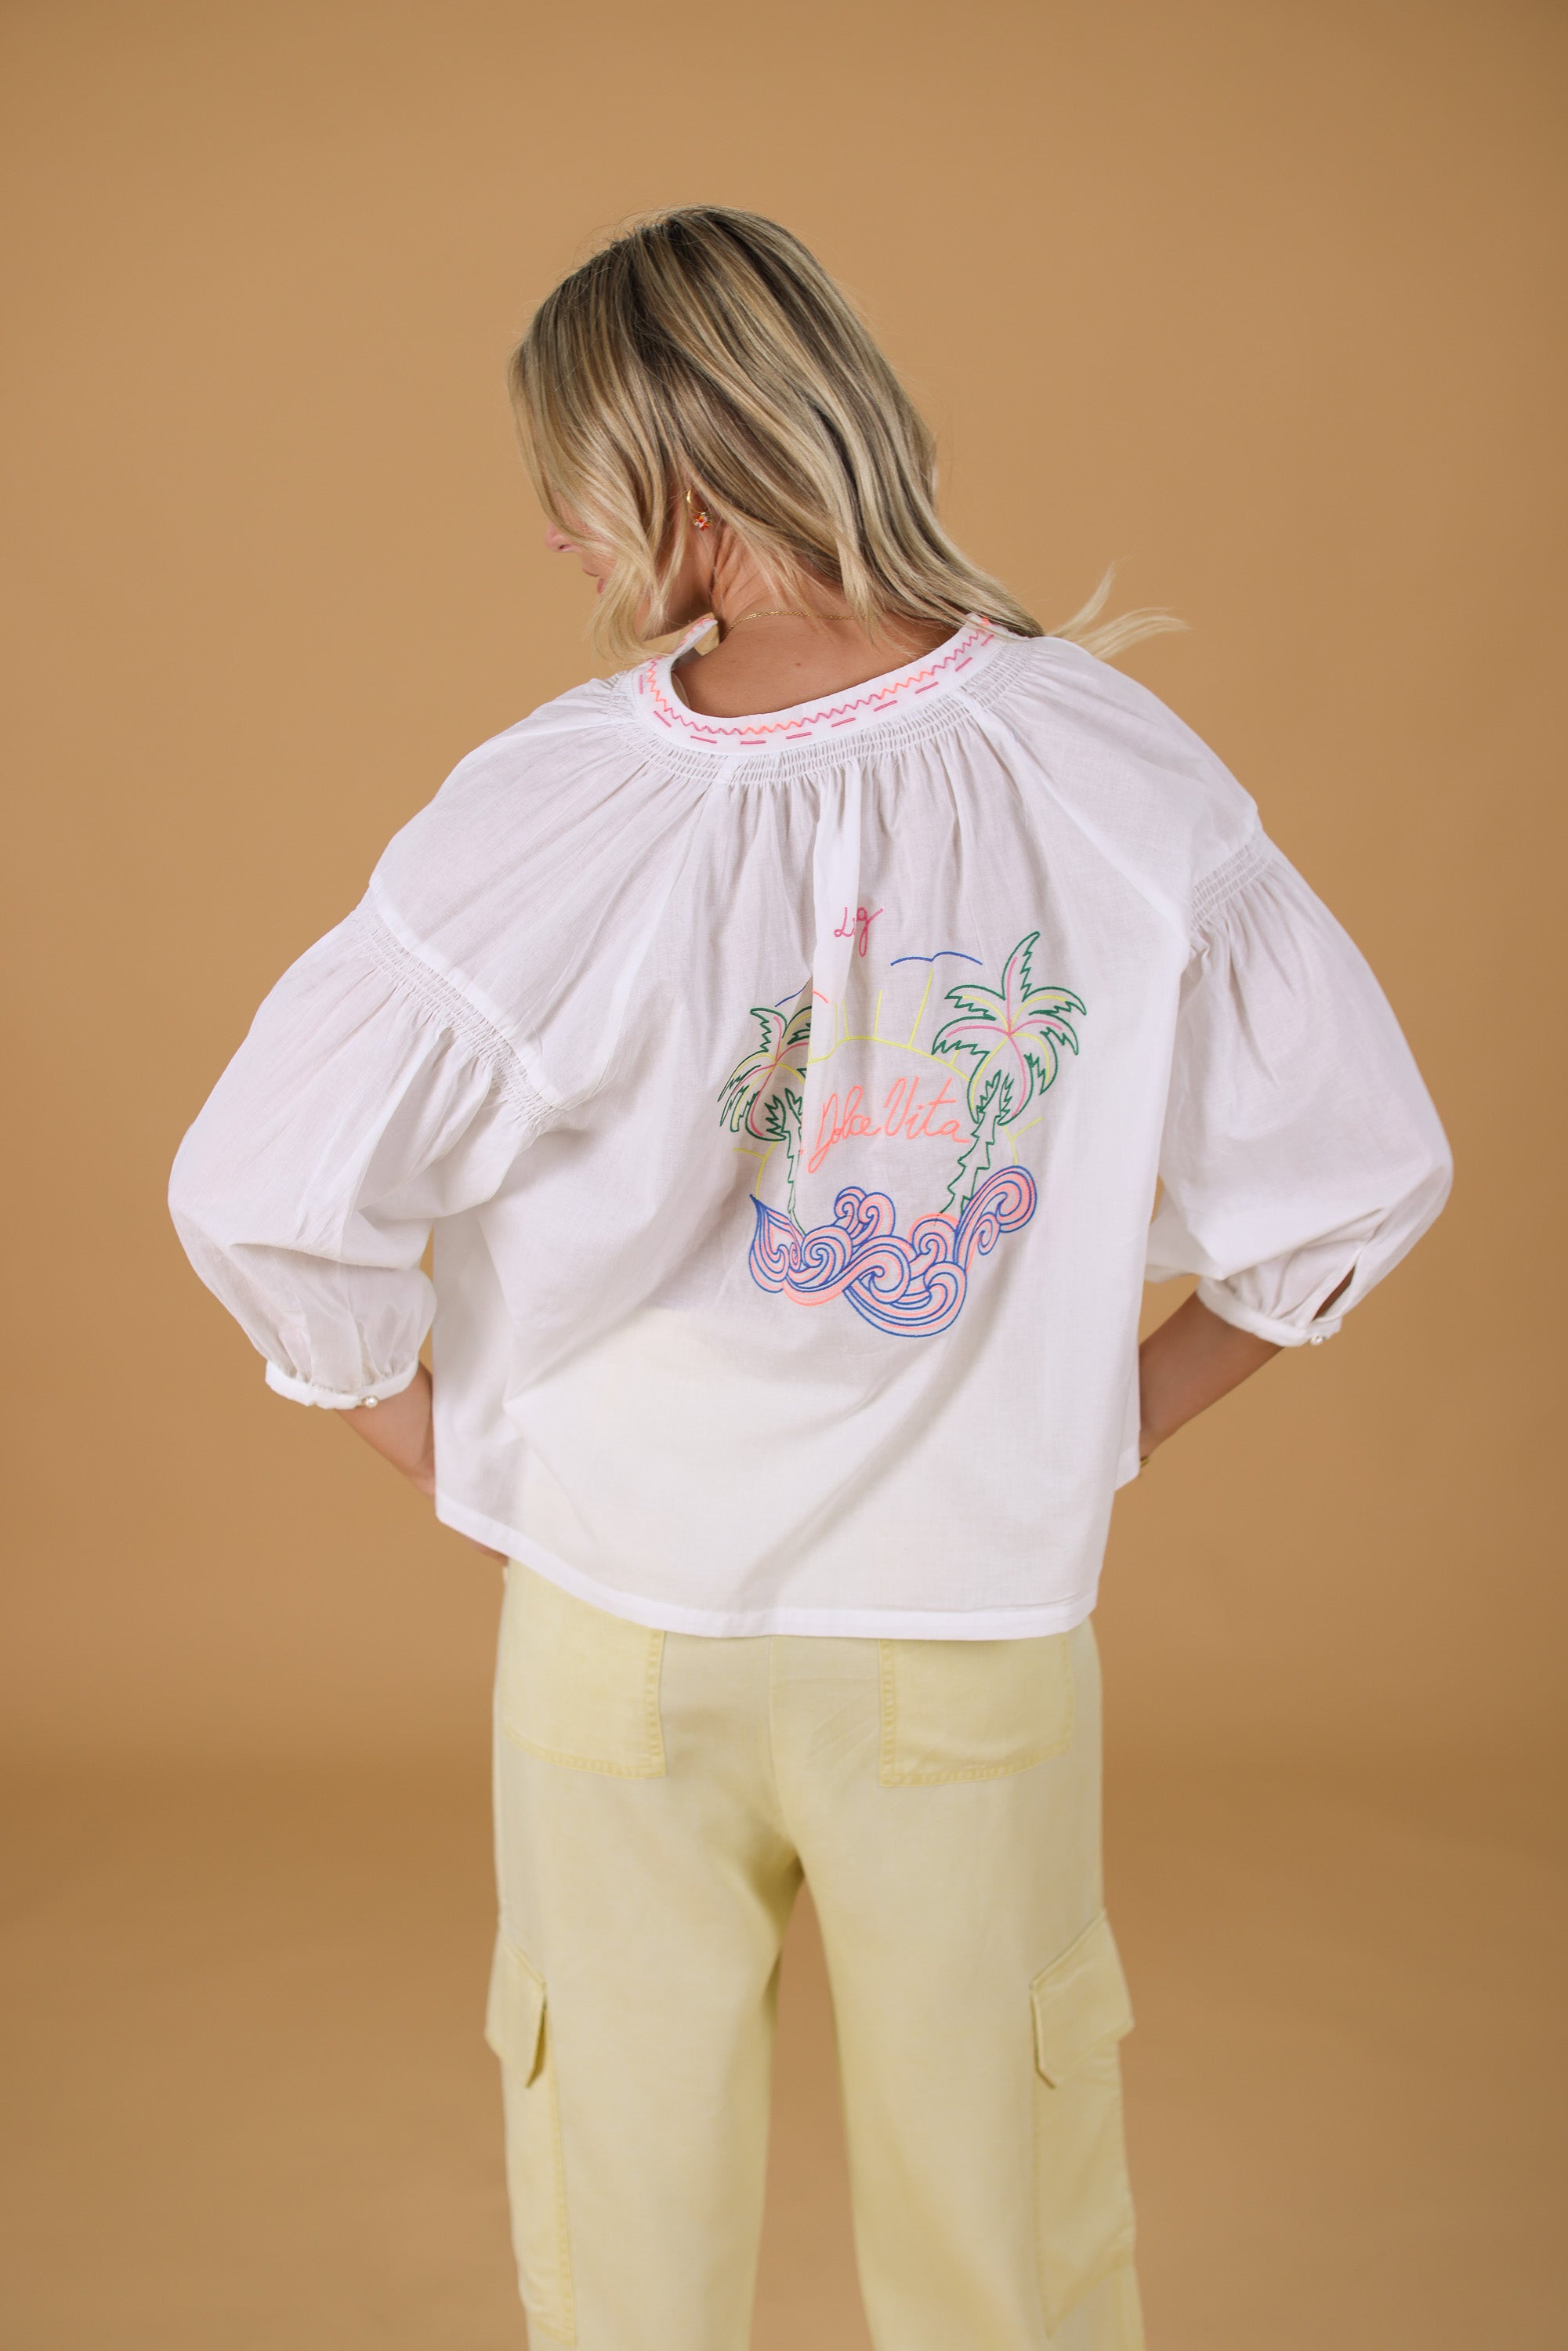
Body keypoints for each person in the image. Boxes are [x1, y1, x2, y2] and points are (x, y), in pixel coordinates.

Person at [168, 207, 1451, 2351]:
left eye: (576, 485)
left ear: (679, 474)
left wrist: (460, 1454)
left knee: (621, 2235)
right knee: (1004, 2235)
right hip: (963, 1640)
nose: (554, 539)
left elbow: (257, 1188)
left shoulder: (549, 808)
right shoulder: (1111, 769)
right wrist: (1089, 1423)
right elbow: (1355, 1177)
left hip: (613, 1637)